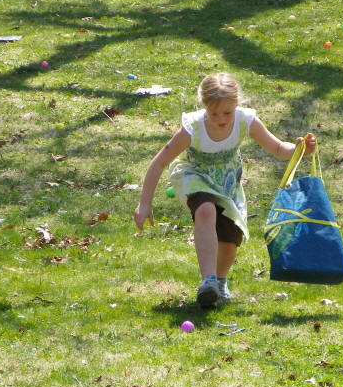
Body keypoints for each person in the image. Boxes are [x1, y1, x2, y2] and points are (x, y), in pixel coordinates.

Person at [133, 73, 317, 308]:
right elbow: (159, 162)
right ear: (204, 107)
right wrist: (145, 203)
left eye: (227, 113)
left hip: (228, 183)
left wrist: (299, 149)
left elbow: (279, 148)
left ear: (237, 104)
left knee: (229, 243)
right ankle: (208, 280)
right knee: (206, 211)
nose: (221, 119)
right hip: (195, 176)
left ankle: (220, 283)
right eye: (214, 114)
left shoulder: (245, 120)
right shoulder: (193, 128)